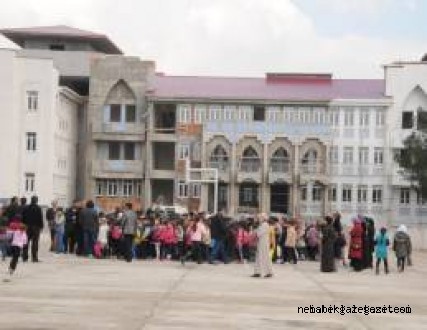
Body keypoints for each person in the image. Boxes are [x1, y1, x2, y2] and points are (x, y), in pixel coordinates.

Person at [22, 195, 43, 262]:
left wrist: (24, 225)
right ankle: (34, 258)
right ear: (36, 200)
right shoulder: (38, 208)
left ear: (31, 200)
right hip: (36, 228)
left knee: (26, 242)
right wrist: (41, 226)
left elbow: (23, 218)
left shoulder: (26, 208)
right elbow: (40, 218)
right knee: (35, 243)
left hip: (27, 227)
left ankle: (25, 257)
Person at [252, 214, 273, 278]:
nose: (258, 219)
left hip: (263, 243)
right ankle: (258, 272)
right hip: (261, 242)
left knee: (264, 257)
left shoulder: (264, 225)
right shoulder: (262, 225)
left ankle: (268, 272)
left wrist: (255, 230)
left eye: (259, 218)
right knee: (259, 257)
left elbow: (258, 234)